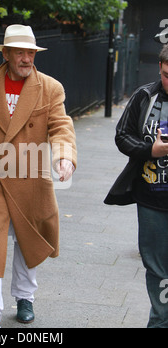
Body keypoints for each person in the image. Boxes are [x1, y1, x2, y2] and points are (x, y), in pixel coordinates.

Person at [0, 24, 77, 328]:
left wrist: (64, 156)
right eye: (19, 52)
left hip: (29, 175)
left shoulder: (50, 87)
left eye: (30, 52)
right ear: (5, 54)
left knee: (28, 238)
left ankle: (24, 297)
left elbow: (61, 126)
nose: (26, 58)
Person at [105, 45, 168, 328]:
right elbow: (122, 136)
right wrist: (149, 150)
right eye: (167, 75)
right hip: (151, 198)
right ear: (159, 67)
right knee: (156, 268)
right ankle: (159, 322)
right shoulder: (145, 96)